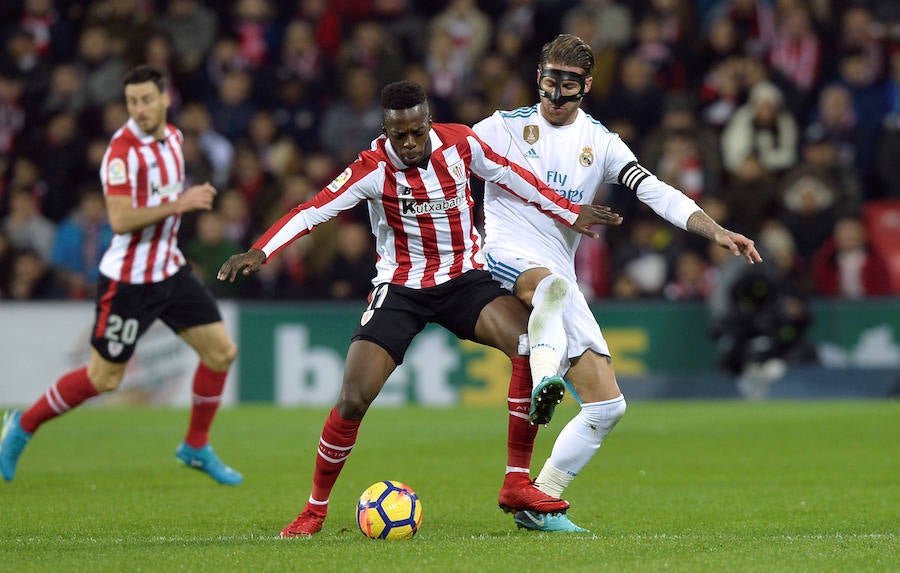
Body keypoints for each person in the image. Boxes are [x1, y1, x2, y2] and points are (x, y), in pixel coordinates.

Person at [217, 80, 621, 537]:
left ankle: (515, 483)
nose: (409, 143)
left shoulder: (462, 144)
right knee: (352, 399)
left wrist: (570, 212)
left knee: (527, 343)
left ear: (429, 122)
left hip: (464, 279)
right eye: (398, 135)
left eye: (416, 132)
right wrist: (261, 250)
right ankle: (314, 509)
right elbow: (313, 209)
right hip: (402, 288)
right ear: (385, 130)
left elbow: (514, 177)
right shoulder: (370, 168)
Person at [473, 33, 763, 532]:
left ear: (585, 86)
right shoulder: (502, 128)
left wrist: (714, 230)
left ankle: (537, 502)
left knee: (607, 406)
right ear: (537, 78)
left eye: (567, 84)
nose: (555, 95)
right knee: (547, 289)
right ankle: (544, 376)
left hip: (559, 272)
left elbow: (657, 192)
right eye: (548, 81)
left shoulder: (601, 143)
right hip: (504, 251)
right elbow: (440, 157)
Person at [0, 65, 242, 486]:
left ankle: (196, 446)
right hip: (128, 280)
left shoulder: (176, 139)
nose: (140, 109)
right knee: (104, 378)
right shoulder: (122, 152)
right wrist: (180, 204)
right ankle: (22, 424)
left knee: (221, 352)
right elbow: (122, 218)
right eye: (132, 102)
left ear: (165, 99)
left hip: (169, 268)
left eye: (147, 99)